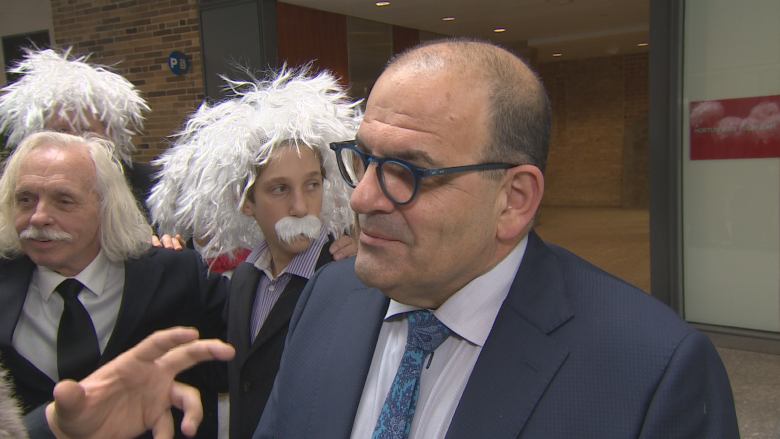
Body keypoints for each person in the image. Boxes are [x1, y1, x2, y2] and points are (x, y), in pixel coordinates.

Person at [250, 38, 739, 438]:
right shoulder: (325, 299)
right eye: (364, 160)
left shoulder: (653, 373)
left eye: (408, 170)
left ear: (514, 200)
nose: (362, 199)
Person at [148, 66, 361, 438]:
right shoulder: (246, 277)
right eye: (280, 189)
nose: (300, 205)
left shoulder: (349, 274)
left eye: (312, 185)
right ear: (246, 201)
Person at [0, 132, 227, 439]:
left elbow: (251, 360)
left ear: (106, 206)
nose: (39, 217)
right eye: (25, 199)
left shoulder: (178, 275)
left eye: (63, 200)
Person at [0, 48, 156, 219]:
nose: (74, 140)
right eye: (60, 131)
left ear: (110, 134)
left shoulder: (152, 185)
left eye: (87, 130)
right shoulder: (16, 189)